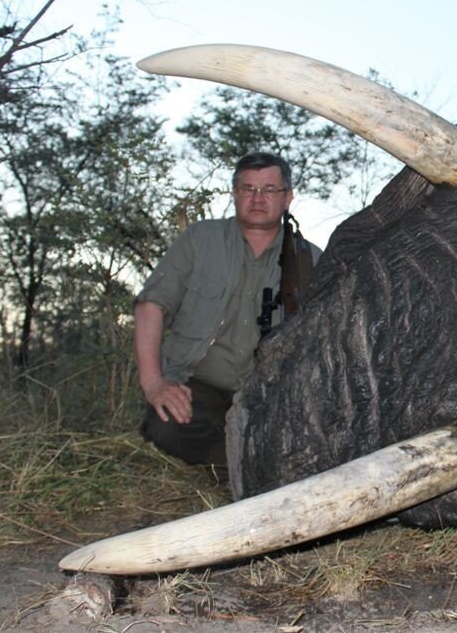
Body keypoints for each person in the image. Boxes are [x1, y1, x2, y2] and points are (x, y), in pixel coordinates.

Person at [134, 152, 321, 465]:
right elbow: (150, 306)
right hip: (197, 388)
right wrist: (154, 384)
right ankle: (239, 466)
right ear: (235, 194)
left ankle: (237, 462)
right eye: (248, 189)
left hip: (266, 396)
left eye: (269, 190)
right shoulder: (199, 238)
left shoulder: (312, 259)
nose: (257, 198)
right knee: (165, 426)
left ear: (287, 197)